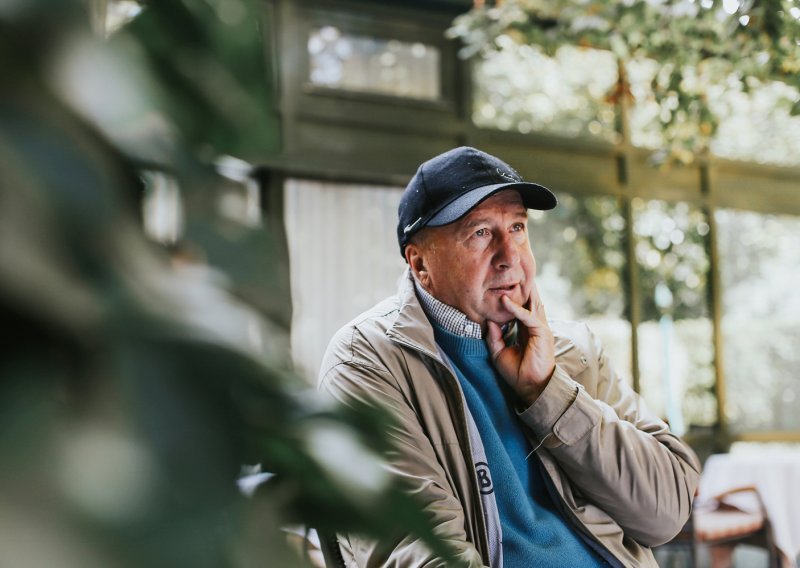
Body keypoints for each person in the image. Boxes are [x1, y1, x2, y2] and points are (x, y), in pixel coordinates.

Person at [319, 146, 701, 567]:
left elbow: (667, 512)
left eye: (517, 227)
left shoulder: (572, 348)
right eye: (480, 233)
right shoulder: (366, 360)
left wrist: (546, 391)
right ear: (420, 262)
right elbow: (415, 551)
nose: (510, 256)